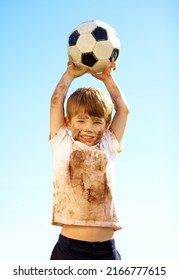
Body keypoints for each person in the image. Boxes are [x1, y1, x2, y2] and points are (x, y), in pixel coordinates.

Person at [49, 57, 129, 260]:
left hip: (106, 251)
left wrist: (108, 79)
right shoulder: (62, 144)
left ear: (106, 125)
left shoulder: (109, 145)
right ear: (68, 122)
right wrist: (69, 74)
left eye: (96, 122)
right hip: (70, 250)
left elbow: (123, 109)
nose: (88, 128)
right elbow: (56, 101)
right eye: (81, 120)